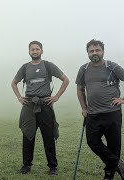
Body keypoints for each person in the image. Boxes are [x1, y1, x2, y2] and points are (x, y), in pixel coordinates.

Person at [11, 41, 69, 176]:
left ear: (42, 51)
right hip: (29, 105)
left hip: (45, 105)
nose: (35, 51)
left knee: (48, 136)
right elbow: (14, 83)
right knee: (28, 135)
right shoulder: (25, 67)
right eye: (32, 49)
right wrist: (20, 97)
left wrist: (56, 97)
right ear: (29, 52)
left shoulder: (48, 66)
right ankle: (26, 165)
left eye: (37, 49)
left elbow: (65, 80)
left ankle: (53, 167)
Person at [76, 39, 124, 180]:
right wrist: (84, 108)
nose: (95, 53)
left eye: (97, 50)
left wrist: (122, 100)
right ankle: (117, 163)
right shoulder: (84, 69)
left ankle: (108, 175)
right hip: (93, 114)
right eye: (91, 51)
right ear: (88, 53)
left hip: (112, 113)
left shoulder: (112, 67)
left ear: (103, 51)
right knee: (92, 141)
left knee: (114, 146)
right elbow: (80, 89)